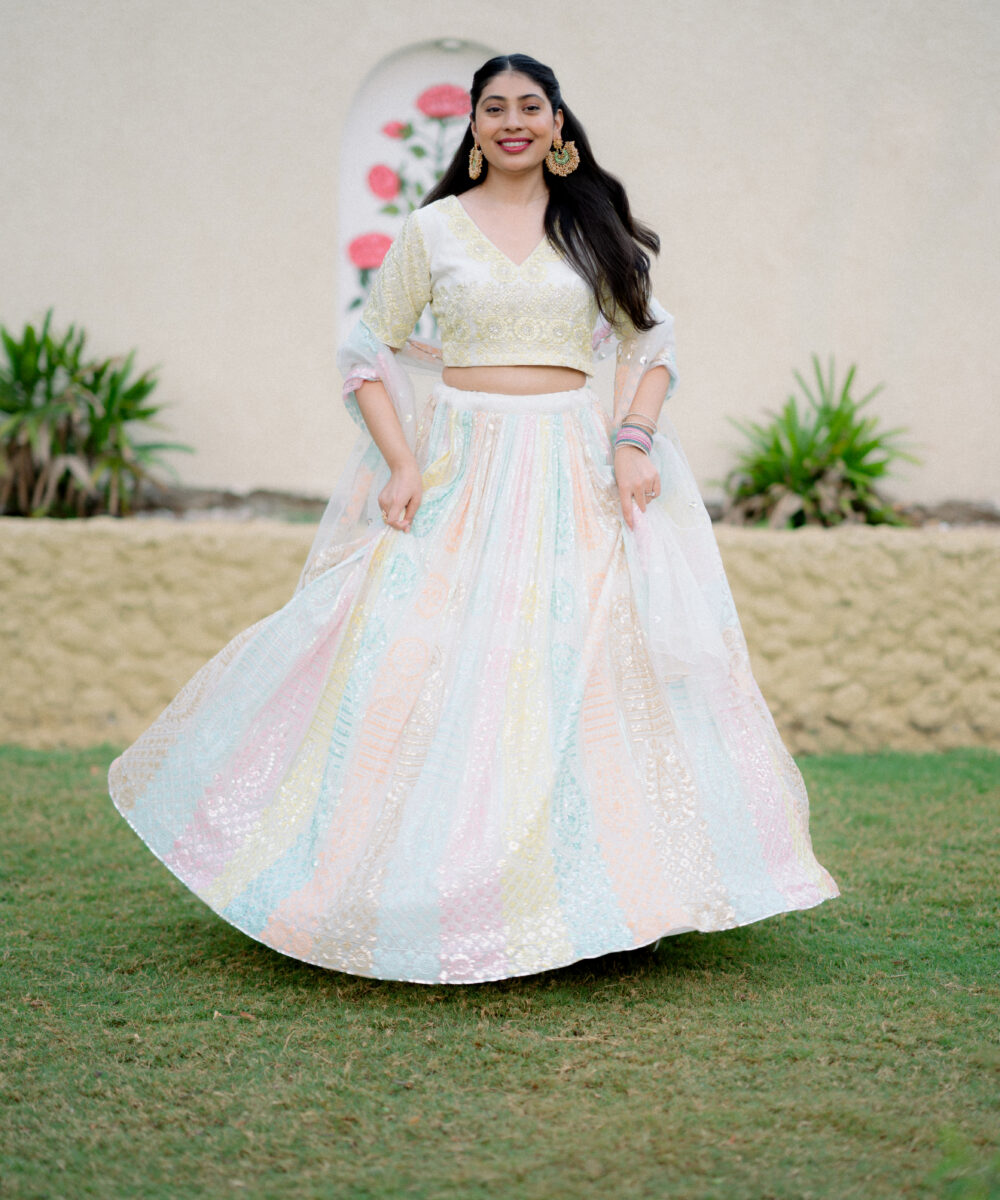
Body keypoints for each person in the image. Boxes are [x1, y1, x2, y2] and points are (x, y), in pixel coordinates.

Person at [109, 53, 839, 985]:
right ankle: (398, 886)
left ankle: (606, 901)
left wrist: (633, 441)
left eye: (529, 107)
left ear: (558, 124)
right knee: (422, 658)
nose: (512, 122)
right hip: (463, 468)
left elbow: (650, 343)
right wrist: (404, 462)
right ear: (473, 127)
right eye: (493, 108)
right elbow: (366, 350)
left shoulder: (591, 231)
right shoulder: (433, 231)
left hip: (573, 469)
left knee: (583, 666)